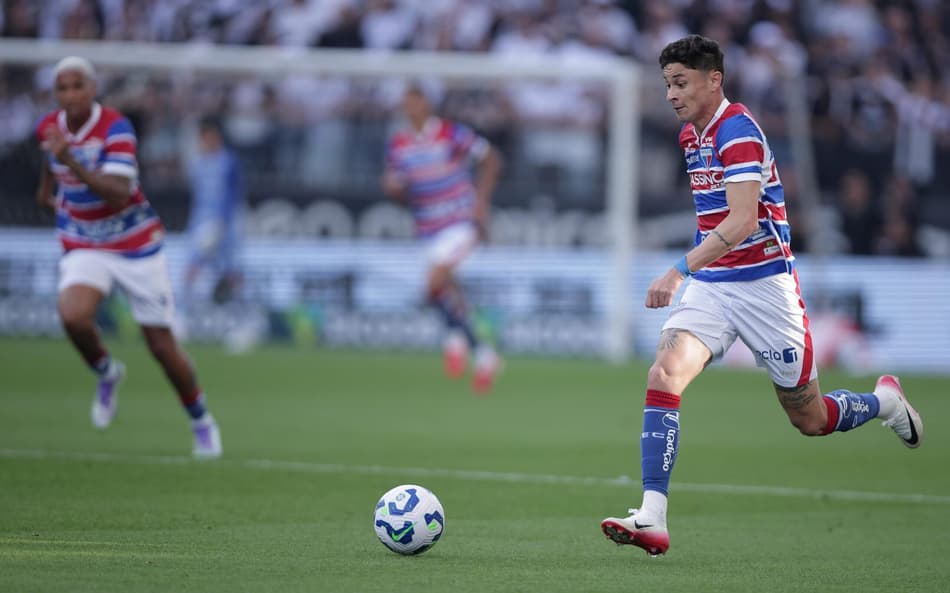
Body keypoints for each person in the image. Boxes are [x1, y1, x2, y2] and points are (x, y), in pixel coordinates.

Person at [600, 35, 923, 556]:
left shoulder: (738, 132)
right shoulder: (691, 136)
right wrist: (696, 274)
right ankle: (652, 517)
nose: (671, 95)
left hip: (766, 287)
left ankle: (884, 401)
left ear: (713, 80)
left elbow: (745, 220)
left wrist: (678, 270)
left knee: (809, 419)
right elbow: (714, 218)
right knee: (664, 373)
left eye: (680, 83)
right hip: (713, 286)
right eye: (666, 84)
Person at [34, 56, 222, 459]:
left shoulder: (116, 129)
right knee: (73, 316)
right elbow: (50, 163)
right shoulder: (49, 129)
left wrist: (70, 160)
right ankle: (106, 371)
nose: (70, 95)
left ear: (92, 88)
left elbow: (117, 192)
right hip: (84, 241)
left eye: (77, 86)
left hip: (134, 244)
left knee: (161, 346)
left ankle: (200, 418)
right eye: (62, 88)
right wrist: (47, 187)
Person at [382, 84, 503, 393]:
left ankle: (457, 342)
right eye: (405, 103)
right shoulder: (399, 144)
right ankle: (482, 352)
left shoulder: (451, 133)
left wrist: (481, 203)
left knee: (434, 283)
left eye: (414, 101)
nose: (409, 108)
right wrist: (394, 191)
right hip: (427, 229)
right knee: (447, 293)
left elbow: (491, 158)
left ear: (426, 103)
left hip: (459, 222)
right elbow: (400, 189)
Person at [181, 115, 244, 312]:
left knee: (231, 270)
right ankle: (181, 313)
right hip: (201, 222)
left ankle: (242, 313)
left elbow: (234, 194)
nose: (206, 142)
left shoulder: (228, 161)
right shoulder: (198, 163)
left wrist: (223, 222)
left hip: (225, 224)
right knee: (192, 267)